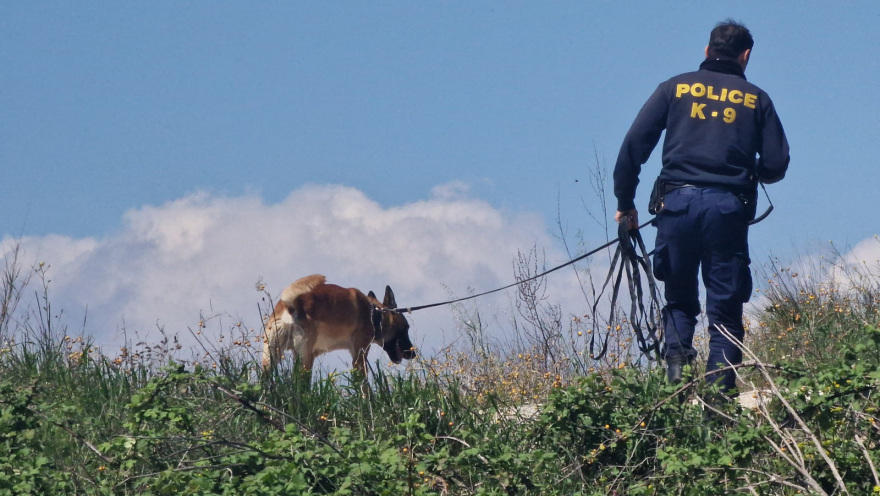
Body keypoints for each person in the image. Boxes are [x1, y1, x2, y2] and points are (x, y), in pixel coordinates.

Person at [612, 20, 789, 398]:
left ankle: (677, 387)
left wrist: (626, 204)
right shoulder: (757, 98)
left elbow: (633, 146)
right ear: (746, 56)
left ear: (708, 51)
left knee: (679, 299)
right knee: (724, 309)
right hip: (726, 210)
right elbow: (776, 164)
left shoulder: (673, 88)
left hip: (675, 207)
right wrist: (748, 171)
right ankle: (719, 401)